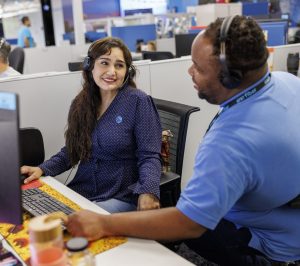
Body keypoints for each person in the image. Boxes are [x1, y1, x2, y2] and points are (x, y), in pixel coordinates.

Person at [64, 16, 300, 266]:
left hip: (268, 242)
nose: (190, 71)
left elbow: (189, 224)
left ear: (229, 77)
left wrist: (103, 223)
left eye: (198, 67)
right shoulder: (288, 82)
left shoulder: (229, 143)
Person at [21, 37, 162, 213]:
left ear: (127, 71)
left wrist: (148, 191)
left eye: (119, 65)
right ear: (90, 66)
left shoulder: (138, 102)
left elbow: (149, 156)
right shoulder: (81, 103)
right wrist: (42, 169)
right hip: (84, 190)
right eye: (104, 63)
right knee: (35, 215)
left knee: (70, 227)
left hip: (120, 194)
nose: (112, 71)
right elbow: (72, 151)